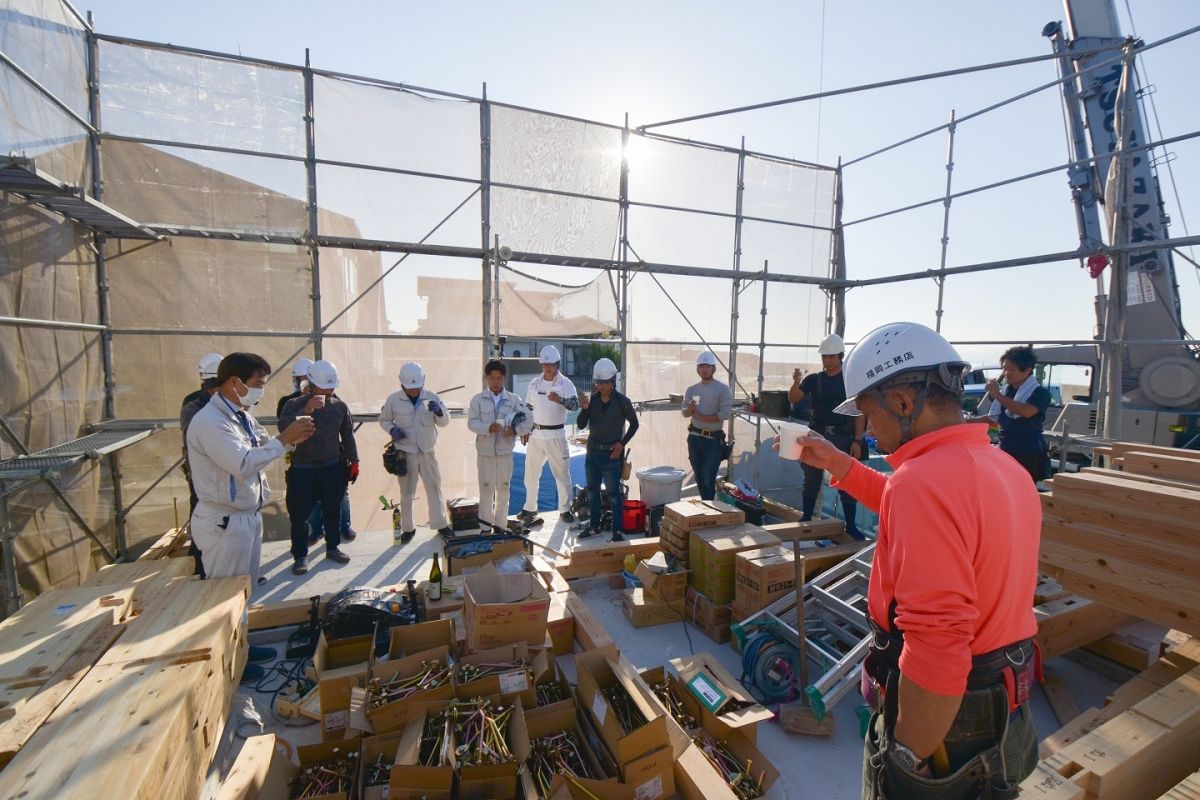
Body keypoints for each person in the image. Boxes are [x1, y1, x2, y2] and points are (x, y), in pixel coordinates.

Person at [790, 322, 1040, 798]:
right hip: (1003, 701)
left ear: (904, 403)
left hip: (949, 721)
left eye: (871, 415)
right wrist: (840, 465)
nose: (873, 431)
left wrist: (905, 758)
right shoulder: (1002, 468)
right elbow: (924, 513)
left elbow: (938, 644)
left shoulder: (922, 483)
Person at [186, 352, 314, 586]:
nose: (261, 391)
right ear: (235, 382)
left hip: (247, 516)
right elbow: (243, 464)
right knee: (226, 598)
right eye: (257, 384)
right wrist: (285, 437)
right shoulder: (211, 422)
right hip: (225, 522)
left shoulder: (242, 416)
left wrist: (291, 440)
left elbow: (263, 450)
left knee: (246, 590)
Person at [279, 359, 359, 575]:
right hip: (302, 468)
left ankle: (332, 547)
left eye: (332, 387)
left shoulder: (339, 407)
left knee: (332, 510)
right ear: (311, 384)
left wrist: (354, 461)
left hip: (331, 466)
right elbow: (283, 428)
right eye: (324, 387)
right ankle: (300, 555)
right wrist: (305, 409)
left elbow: (347, 435)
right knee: (299, 515)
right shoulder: (293, 405)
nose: (329, 391)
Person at [787, 334, 869, 539]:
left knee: (846, 481)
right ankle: (806, 518)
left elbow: (859, 412)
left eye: (832, 356)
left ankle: (850, 526)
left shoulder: (850, 380)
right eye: (825, 356)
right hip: (818, 434)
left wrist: (858, 441)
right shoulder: (814, 380)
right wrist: (796, 382)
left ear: (841, 356)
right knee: (812, 479)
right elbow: (794, 398)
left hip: (843, 437)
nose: (827, 360)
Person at [380, 361, 454, 540]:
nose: (414, 390)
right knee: (406, 492)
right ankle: (408, 528)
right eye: (410, 387)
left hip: (428, 452)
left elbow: (444, 422)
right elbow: (384, 419)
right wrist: (392, 430)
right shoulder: (393, 400)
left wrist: (439, 412)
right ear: (401, 383)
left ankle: (440, 524)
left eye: (417, 386)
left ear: (423, 381)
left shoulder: (432, 397)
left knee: (434, 488)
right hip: (405, 453)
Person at [576, 358, 639, 541]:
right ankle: (594, 526)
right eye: (598, 382)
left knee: (614, 494)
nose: (601, 386)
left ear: (612, 380)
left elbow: (634, 424)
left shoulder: (622, 401)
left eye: (605, 382)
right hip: (593, 452)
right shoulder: (592, 400)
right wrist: (584, 408)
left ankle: (617, 531)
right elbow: (580, 425)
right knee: (593, 491)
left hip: (611, 454)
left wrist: (622, 444)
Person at [518, 345, 580, 525]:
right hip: (536, 434)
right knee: (530, 474)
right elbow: (528, 409)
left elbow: (575, 405)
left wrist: (559, 400)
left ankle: (565, 510)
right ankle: (530, 508)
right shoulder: (534, 383)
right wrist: (525, 429)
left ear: (558, 364)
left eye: (551, 364)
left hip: (556, 435)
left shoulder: (565, 383)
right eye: (544, 364)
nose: (547, 367)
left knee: (561, 474)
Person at [971, 346, 1052, 484]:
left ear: (1027, 370)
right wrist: (965, 421)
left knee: (1023, 489)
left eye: (1011, 369)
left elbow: (1026, 411)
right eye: (1004, 368)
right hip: (1006, 448)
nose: (1006, 373)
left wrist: (996, 394)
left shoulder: (1040, 393)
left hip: (1028, 453)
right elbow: (993, 418)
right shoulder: (1006, 392)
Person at [467, 360, 529, 532]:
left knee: (503, 489)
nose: (495, 382)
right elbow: (471, 423)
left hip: (505, 454)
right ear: (487, 378)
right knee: (486, 490)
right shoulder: (477, 400)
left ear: (504, 378)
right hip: (485, 454)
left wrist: (515, 431)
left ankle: (501, 526)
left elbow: (528, 420)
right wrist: (488, 428)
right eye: (492, 378)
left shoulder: (514, 399)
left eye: (499, 378)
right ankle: (485, 527)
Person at [180, 354, 223, 578]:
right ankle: (201, 567)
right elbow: (204, 440)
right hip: (202, 476)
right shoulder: (193, 405)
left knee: (226, 523)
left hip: (225, 475)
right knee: (203, 519)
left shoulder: (228, 403)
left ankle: (230, 568)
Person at [681, 351, 732, 500]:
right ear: (697, 369)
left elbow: (725, 414)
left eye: (707, 366)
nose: (704, 369)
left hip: (712, 441)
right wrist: (689, 410)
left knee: (708, 479)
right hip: (694, 438)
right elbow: (685, 412)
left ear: (713, 369)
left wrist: (701, 417)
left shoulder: (722, 389)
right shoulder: (692, 390)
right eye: (701, 366)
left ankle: (709, 512)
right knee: (699, 478)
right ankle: (707, 508)